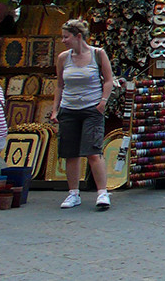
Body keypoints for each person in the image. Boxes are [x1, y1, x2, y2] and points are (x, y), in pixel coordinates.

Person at [50, 19, 115, 210]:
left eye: (66, 37)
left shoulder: (97, 54)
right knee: (70, 153)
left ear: (78, 36)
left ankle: (102, 192)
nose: (63, 40)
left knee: (93, 151)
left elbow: (109, 80)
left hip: (91, 108)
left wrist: (103, 101)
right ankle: (73, 193)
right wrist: (56, 109)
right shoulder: (63, 58)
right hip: (69, 109)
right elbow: (60, 85)